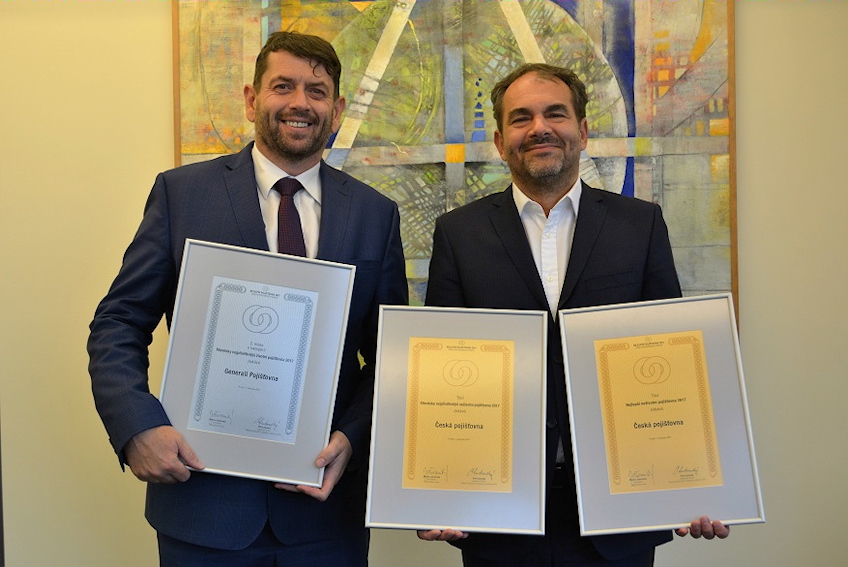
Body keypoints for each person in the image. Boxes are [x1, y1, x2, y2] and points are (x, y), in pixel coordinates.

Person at [88, 31, 407, 566]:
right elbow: (118, 321)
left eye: (317, 91)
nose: (300, 102)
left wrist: (353, 437)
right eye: (283, 86)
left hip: (325, 514)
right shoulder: (181, 194)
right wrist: (136, 424)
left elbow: (389, 356)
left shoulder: (376, 215)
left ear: (337, 110)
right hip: (203, 504)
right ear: (252, 99)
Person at [418, 63, 729, 566]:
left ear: (582, 132)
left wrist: (695, 485)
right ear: (500, 142)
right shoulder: (459, 233)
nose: (539, 127)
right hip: (498, 513)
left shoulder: (640, 225)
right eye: (521, 118)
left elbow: (672, 361)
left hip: (619, 512)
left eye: (555, 114)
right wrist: (436, 492)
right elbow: (441, 372)